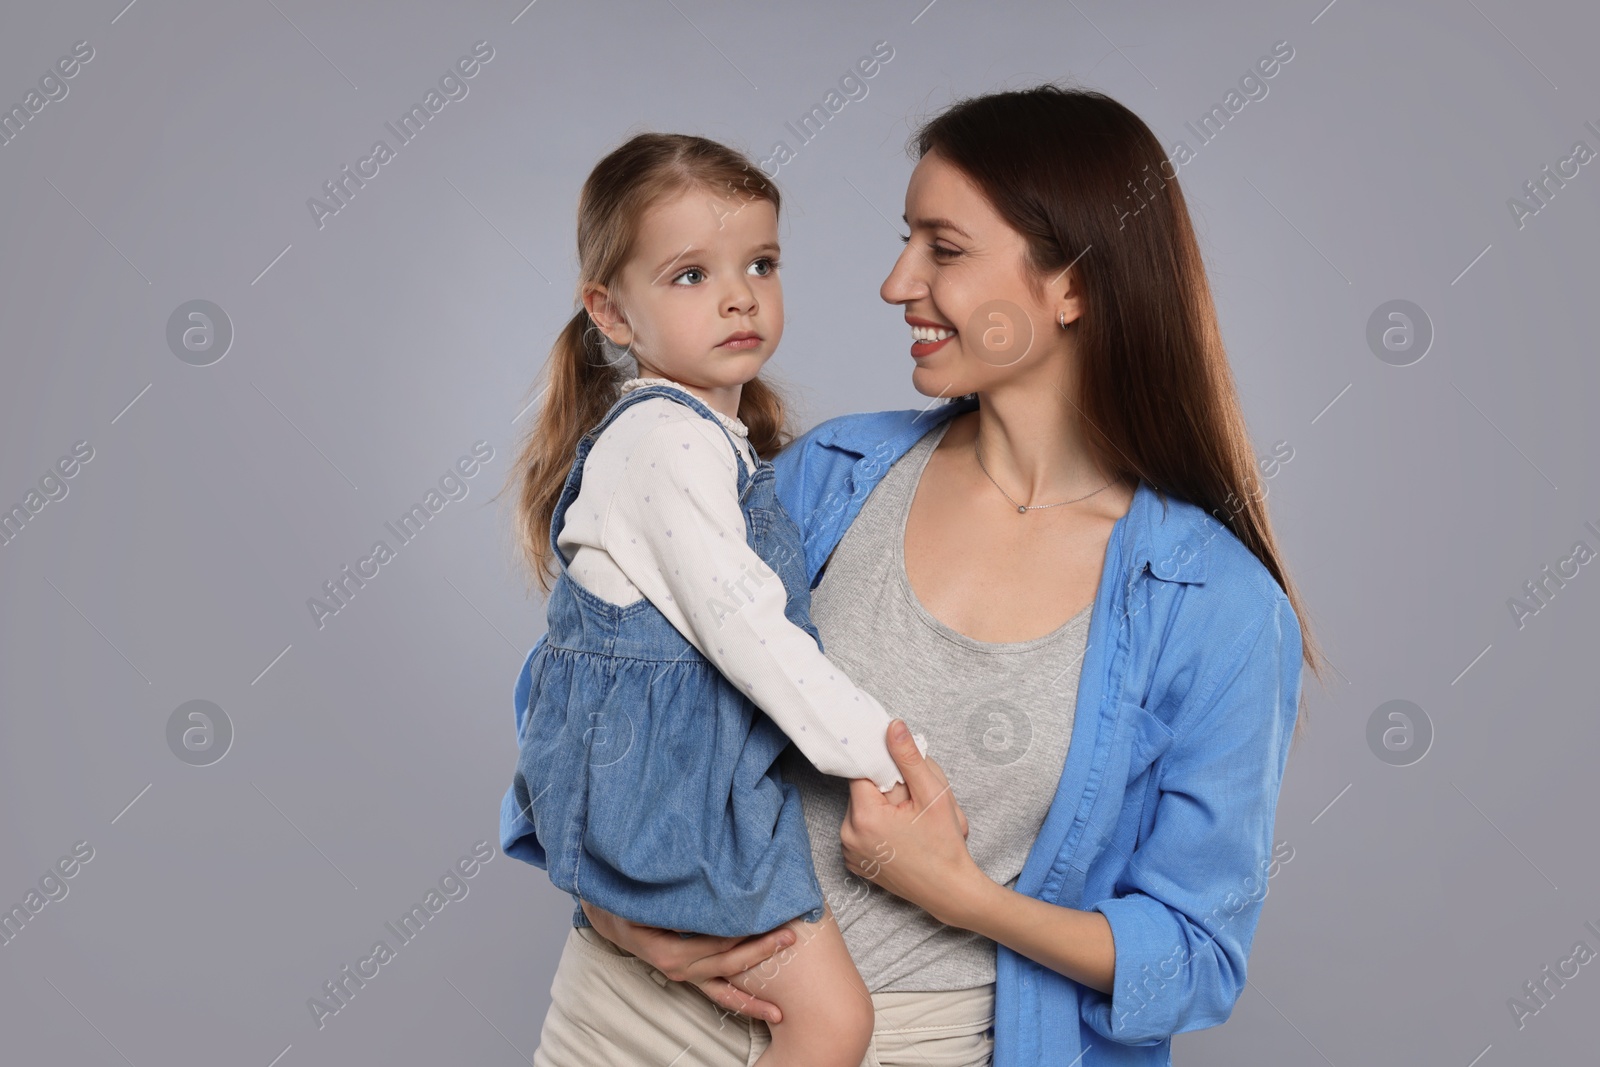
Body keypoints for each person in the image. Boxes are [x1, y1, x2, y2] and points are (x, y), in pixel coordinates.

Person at [501, 83, 1327, 1067]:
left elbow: (1190, 958)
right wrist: (620, 910)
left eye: (941, 248)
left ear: (1072, 285)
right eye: (907, 241)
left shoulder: (1219, 609)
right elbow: (599, 685)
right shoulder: (823, 477)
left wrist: (959, 893)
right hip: (628, 1016)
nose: (895, 283)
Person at [500, 131, 936, 1067]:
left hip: (664, 793)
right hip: (675, 806)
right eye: (691, 275)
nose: (741, 295)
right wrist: (888, 755)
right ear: (610, 311)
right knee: (834, 1024)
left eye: (761, 263)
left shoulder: (710, 438)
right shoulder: (665, 442)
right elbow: (752, 636)